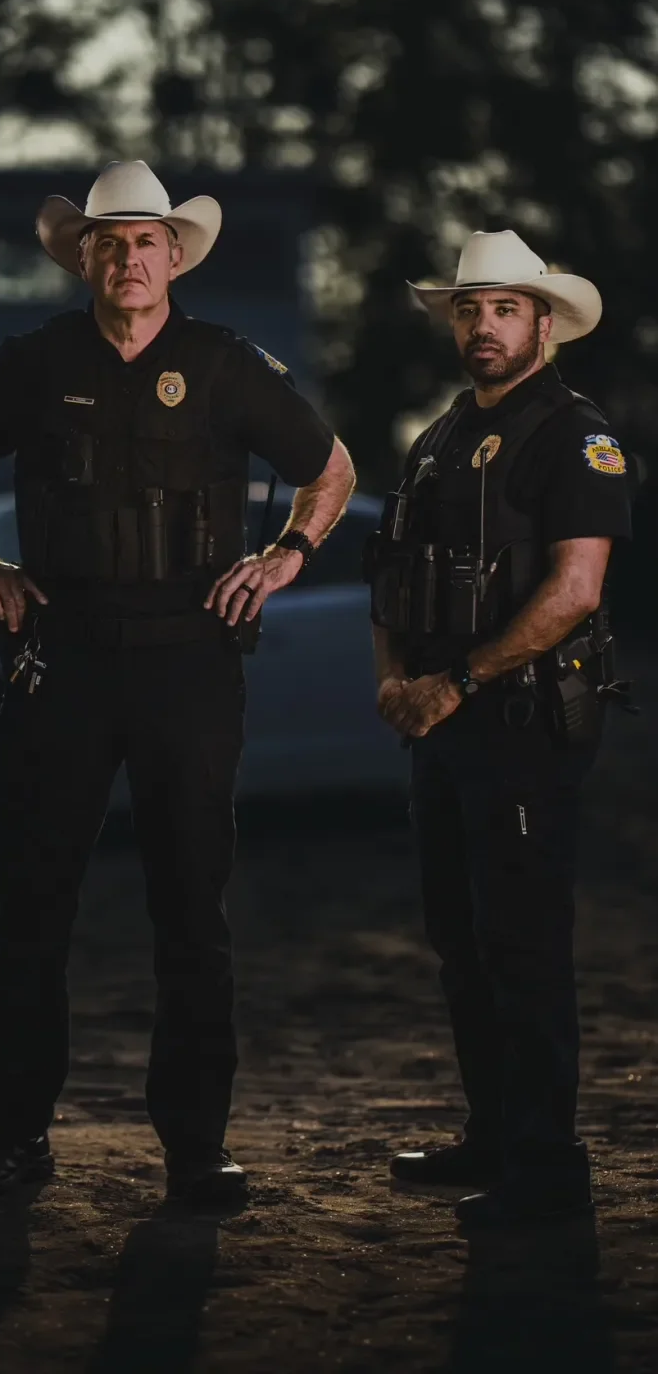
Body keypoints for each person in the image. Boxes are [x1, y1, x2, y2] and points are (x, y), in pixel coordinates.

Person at [0, 160, 355, 1204]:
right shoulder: (30, 362)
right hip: (60, 655)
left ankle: (196, 1148)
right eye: (108, 241)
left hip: (188, 659)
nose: (127, 257)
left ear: (175, 255)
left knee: (191, 912)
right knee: (31, 905)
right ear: (85, 257)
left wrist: (287, 555)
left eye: (145, 240)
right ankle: (14, 1136)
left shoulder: (224, 365)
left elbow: (329, 466)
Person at [367, 230, 633, 1227]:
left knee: (524, 944)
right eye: (471, 309)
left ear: (546, 324)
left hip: (521, 723)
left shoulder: (574, 435)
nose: (484, 324)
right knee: (461, 939)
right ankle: (493, 1137)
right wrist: (398, 679)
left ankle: (547, 1170)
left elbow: (575, 591)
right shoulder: (437, 437)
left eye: (506, 308)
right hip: (441, 725)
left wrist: (458, 682)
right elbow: (391, 572)